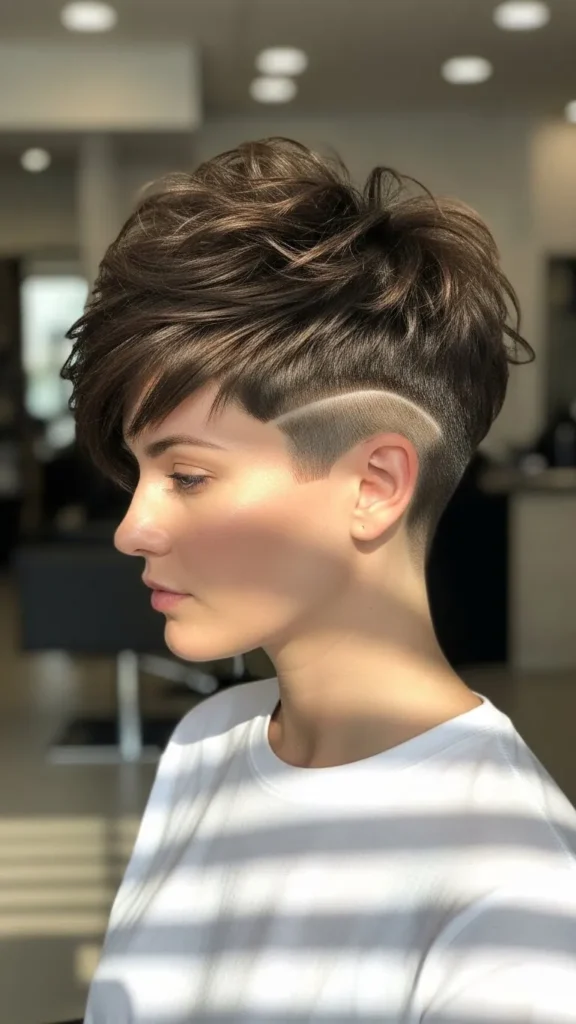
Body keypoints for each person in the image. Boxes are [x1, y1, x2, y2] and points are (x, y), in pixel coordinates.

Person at [61, 138, 576, 1023]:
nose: (132, 528)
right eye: (139, 476)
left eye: (188, 476)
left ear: (373, 486)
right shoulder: (208, 741)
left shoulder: (513, 903)